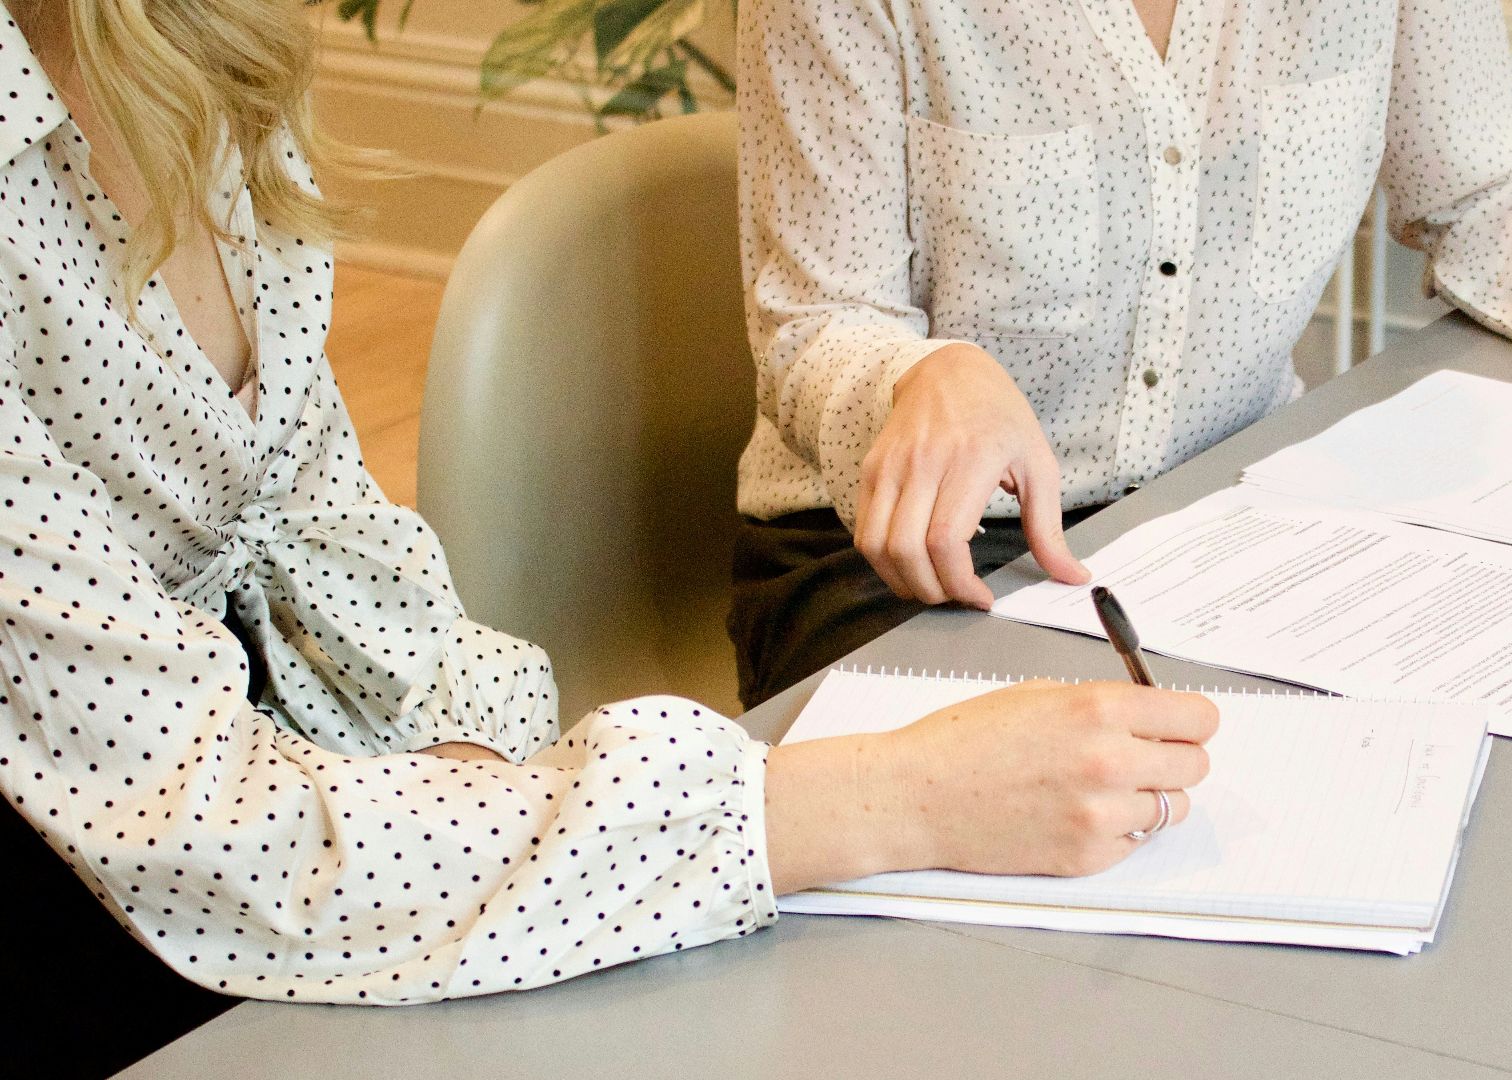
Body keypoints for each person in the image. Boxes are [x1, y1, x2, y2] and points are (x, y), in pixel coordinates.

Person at [0, 1, 1217, 1071]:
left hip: (275, 821)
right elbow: (214, 830)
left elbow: (324, 534)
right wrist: (894, 801)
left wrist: (471, 756)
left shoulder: (194, 51)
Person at [729, 0, 1512, 708]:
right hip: (896, 561)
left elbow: (1480, 192)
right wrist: (917, 379)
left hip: (1224, 527)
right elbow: (815, 322)